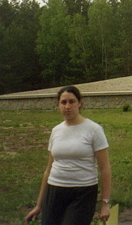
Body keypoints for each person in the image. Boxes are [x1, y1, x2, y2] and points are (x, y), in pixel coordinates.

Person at [25, 86, 111, 224]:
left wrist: (105, 203)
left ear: (80, 103)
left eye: (72, 101)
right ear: (58, 105)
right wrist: (39, 205)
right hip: (55, 191)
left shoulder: (94, 130)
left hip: (82, 193)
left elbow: (105, 169)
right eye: (63, 102)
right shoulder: (56, 131)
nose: (67, 106)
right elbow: (48, 169)